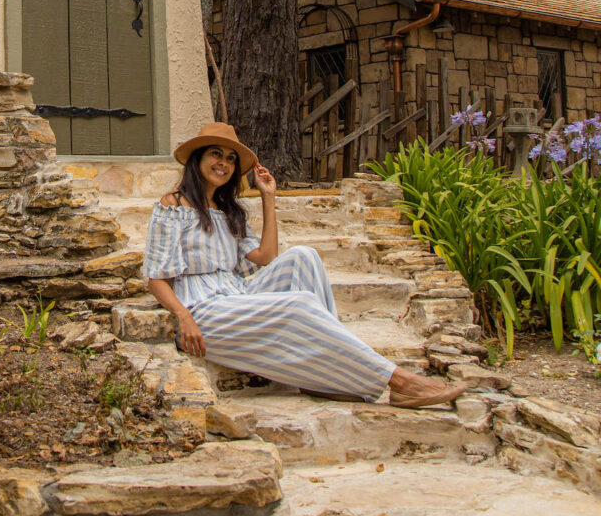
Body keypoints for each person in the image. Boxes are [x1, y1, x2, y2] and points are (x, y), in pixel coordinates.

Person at [143, 121, 464, 409]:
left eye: (230, 158)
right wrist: (183, 316)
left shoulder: (228, 211)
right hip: (203, 311)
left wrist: (268, 196)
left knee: (304, 257)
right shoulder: (173, 206)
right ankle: (400, 382)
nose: (224, 164)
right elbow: (157, 277)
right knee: (299, 305)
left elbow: (267, 258)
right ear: (198, 157)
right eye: (216, 154)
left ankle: (328, 376)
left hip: (234, 293)